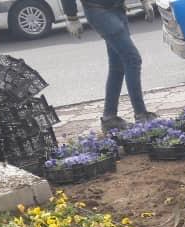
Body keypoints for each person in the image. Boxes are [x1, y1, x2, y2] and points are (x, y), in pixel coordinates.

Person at [61, 0, 158, 131]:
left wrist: (144, 1)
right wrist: (72, 17)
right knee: (132, 59)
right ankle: (141, 115)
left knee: (117, 64)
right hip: (99, 11)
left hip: (117, 8)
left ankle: (109, 117)